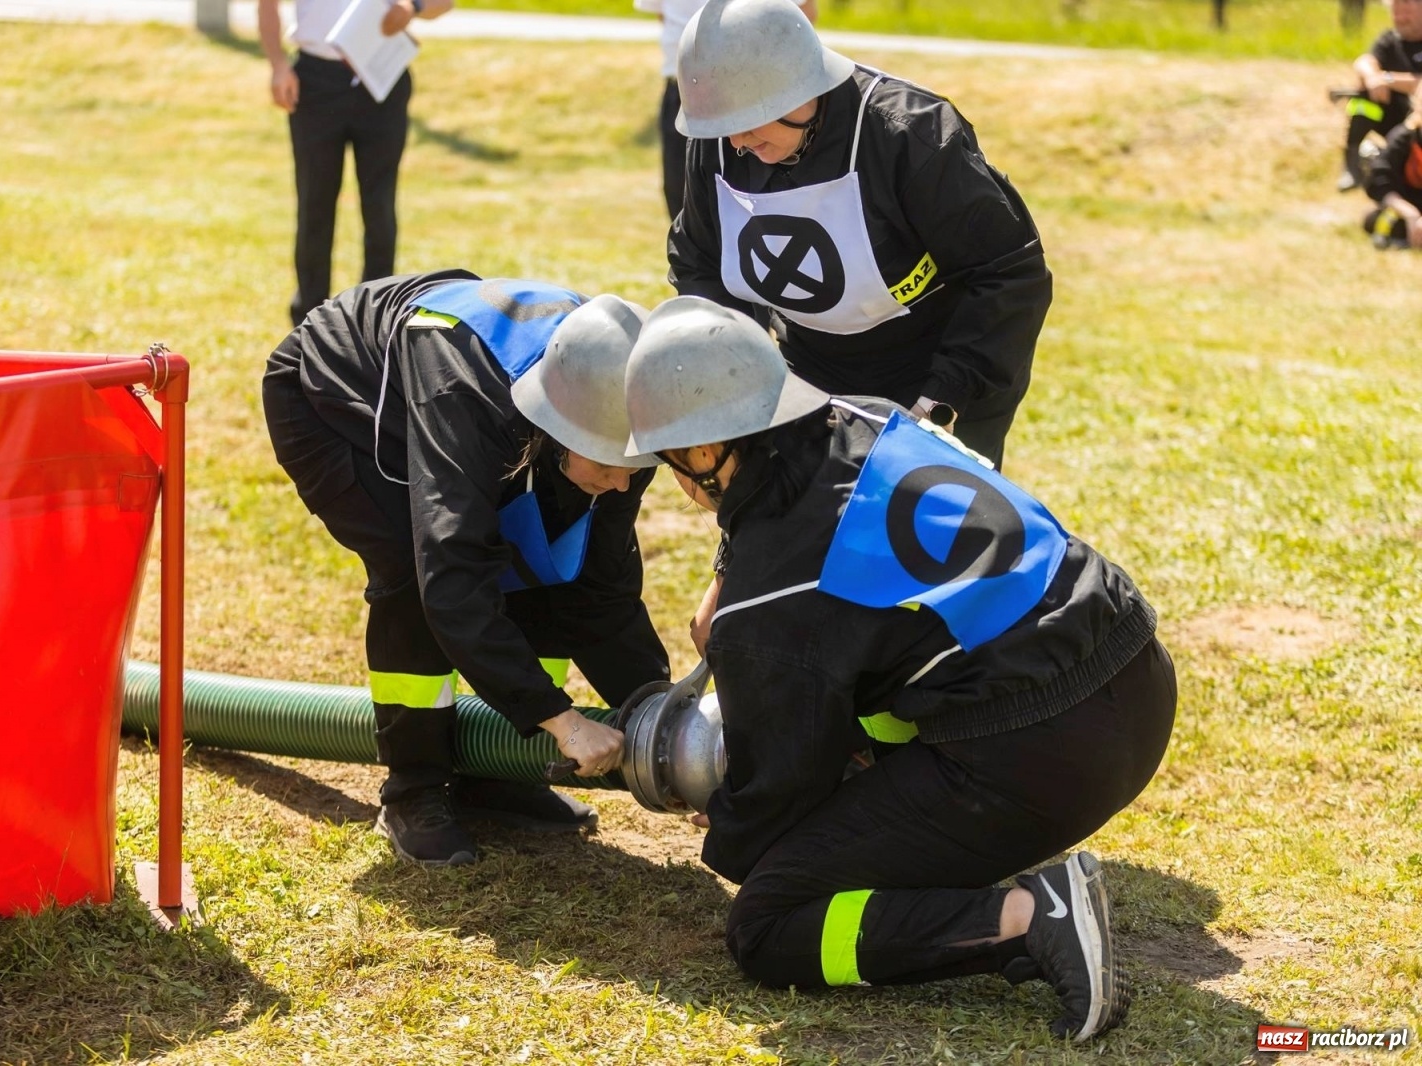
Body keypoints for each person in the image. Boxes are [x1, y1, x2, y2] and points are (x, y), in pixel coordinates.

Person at [622, 297, 1177, 1042]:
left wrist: (730, 818)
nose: (678, 483)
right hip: (1136, 668)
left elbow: (773, 806)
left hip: (1049, 756)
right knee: (884, 691)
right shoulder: (870, 414)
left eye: (673, 461)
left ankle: (1032, 917)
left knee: (769, 920)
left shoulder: (773, 599)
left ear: (704, 453)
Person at [262, 271, 670, 866]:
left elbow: (600, 591)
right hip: (338, 398)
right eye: (610, 465)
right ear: (559, 427)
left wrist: (660, 713)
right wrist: (561, 720)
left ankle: (499, 774)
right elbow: (451, 577)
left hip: (473, 401)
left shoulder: (616, 412)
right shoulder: (472, 399)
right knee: (416, 568)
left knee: (548, 560)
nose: (623, 483)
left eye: (636, 466)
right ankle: (413, 790)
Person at [667, 0, 1051, 472]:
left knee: (924, 511)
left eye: (746, 122)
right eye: (721, 128)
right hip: (810, 363)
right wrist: (736, 372)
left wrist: (943, 398)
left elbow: (1009, 273)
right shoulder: (721, 143)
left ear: (797, 86)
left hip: (939, 364)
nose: (736, 143)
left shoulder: (908, 135)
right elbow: (699, 261)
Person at [259, 0, 454, 325]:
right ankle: (309, 320)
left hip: (382, 77)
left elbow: (443, 4)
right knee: (314, 204)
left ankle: (375, 320)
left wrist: (413, 7)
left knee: (379, 206)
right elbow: (267, 5)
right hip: (315, 82)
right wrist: (278, 65)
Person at [633, 0, 816, 222]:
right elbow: (664, 16)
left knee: (763, 212)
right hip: (685, 91)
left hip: (756, 91)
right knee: (685, 205)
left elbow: (802, 16)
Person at [1336, 0, 1422, 193]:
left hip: (1419, 125)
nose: (1400, 15)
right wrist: (1372, 76)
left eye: (1406, 8)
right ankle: (1352, 162)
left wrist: (1387, 79)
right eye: (1395, 8)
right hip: (1397, 123)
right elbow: (1364, 61)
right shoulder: (1390, 40)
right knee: (1364, 94)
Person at [1363, 110, 1422, 248]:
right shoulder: (1404, 137)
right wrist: (1409, 213)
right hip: (1407, 206)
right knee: (1375, 221)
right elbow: (1378, 179)